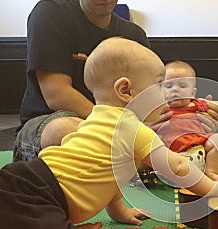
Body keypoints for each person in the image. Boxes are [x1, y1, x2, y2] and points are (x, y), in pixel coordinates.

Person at [0, 37, 218, 229]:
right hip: (36, 194)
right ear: (126, 90)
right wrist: (213, 188)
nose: (166, 94)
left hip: (23, 184)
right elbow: (177, 166)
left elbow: (110, 172)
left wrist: (119, 211)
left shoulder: (98, 119)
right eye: (159, 85)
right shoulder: (131, 128)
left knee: (3, 222)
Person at [13, 0, 150, 162]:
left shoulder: (134, 35)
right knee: (67, 129)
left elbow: (146, 96)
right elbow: (57, 94)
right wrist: (116, 128)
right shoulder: (50, 13)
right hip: (48, 123)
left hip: (119, 130)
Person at [157, 60, 218, 180]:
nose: (174, 90)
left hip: (198, 149)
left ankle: (211, 172)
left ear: (193, 92)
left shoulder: (198, 104)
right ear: (160, 90)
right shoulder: (160, 108)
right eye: (168, 86)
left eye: (182, 85)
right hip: (169, 151)